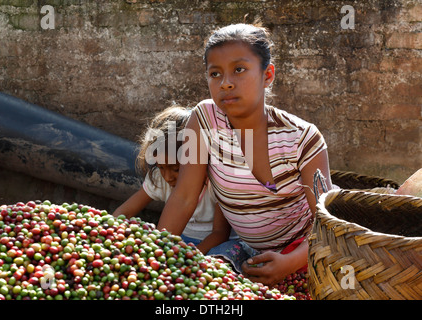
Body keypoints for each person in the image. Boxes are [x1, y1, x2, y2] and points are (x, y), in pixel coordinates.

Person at [157, 23, 333, 286]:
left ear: (268, 75)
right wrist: (154, 254)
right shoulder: (205, 120)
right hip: (247, 250)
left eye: (239, 70)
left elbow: (329, 226)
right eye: (215, 74)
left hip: (306, 250)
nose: (226, 83)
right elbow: (183, 197)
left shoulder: (302, 138)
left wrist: (291, 261)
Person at [112, 104, 232, 254]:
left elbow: (220, 234)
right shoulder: (159, 179)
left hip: (209, 247)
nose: (167, 177)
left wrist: (191, 256)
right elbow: (125, 212)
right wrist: (109, 232)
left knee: (227, 253)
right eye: (161, 167)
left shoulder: (217, 184)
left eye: (176, 169)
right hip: (178, 240)